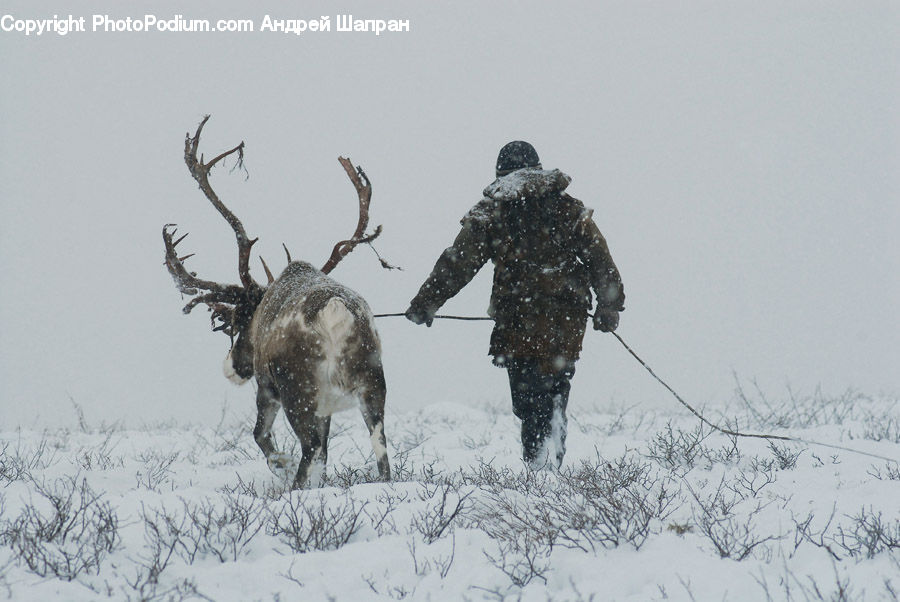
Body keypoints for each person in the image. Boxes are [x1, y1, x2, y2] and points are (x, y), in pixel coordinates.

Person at [405, 141, 625, 469]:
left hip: (517, 322)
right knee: (553, 391)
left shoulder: (493, 211)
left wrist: (427, 301)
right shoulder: (567, 209)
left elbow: (458, 263)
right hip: (564, 322)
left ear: (499, 173)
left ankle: (538, 463)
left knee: (528, 398)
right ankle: (549, 457)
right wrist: (609, 306)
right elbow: (598, 257)